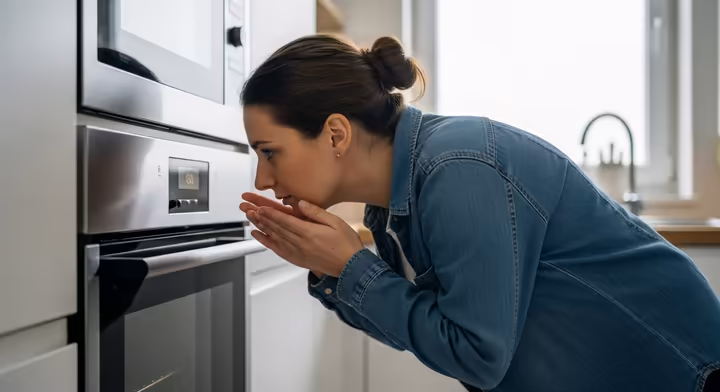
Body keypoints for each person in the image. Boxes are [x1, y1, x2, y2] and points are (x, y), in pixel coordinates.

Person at [238, 34, 720, 392]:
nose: (262, 179)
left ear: (336, 134)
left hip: (682, 373)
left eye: (270, 152)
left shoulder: (457, 168)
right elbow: (424, 332)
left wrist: (350, 267)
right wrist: (332, 270)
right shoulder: (391, 207)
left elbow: (476, 354)